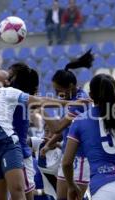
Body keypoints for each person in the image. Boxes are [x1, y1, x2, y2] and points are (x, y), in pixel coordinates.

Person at [0, 64, 86, 200]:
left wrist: (70, 103)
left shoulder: (12, 96)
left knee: (20, 194)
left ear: (8, 81)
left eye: (7, 72)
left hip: (18, 154)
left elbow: (40, 102)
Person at [40, 50, 93, 200]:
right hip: (68, 157)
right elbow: (64, 129)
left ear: (70, 86)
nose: (57, 94)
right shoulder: (73, 99)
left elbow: (57, 127)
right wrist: (49, 144)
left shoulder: (80, 103)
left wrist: (41, 109)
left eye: (59, 90)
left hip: (81, 158)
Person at [29, 123, 63, 199]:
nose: (50, 135)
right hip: (55, 195)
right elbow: (21, 142)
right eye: (47, 131)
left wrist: (56, 145)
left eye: (54, 132)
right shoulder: (40, 142)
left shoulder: (66, 147)